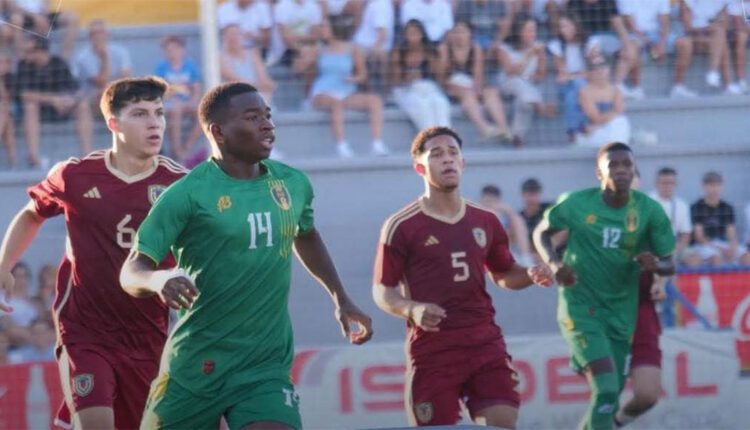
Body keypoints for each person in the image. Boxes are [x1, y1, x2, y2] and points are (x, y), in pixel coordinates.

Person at [119, 82, 373, 429]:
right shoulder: (186, 195)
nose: (268, 125)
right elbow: (132, 270)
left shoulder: (293, 184)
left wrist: (340, 297)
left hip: (264, 366)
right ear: (218, 132)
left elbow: (306, 234)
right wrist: (159, 278)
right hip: (197, 366)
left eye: (267, 116)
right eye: (253, 118)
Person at [0, 76, 187, 429]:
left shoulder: (180, 185)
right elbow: (32, 213)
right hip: (84, 330)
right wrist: (4, 263)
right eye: (141, 114)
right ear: (114, 124)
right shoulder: (75, 175)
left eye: (159, 113)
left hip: (148, 334)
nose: (155, 123)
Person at [372, 126, 554, 428]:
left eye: (453, 153)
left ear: (463, 163)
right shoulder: (401, 225)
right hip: (433, 351)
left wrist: (530, 274)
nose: (447, 159)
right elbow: (383, 291)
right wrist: (412, 309)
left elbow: (504, 273)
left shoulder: (486, 220)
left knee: (502, 423)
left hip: (484, 343)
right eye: (437, 154)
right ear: (420, 167)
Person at [533, 142, 676, 430]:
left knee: (610, 395)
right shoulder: (577, 203)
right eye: (613, 165)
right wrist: (555, 265)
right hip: (581, 307)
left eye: (627, 164)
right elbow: (541, 232)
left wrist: (655, 266)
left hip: (622, 313)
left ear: (634, 170)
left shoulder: (649, 210)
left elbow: (669, 263)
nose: (621, 170)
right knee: (607, 389)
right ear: (599, 172)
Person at [297, 15, 388, 158]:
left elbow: (362, 74)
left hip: (346, 91)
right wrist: (306, 54)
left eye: (324, 26)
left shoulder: (353, 49)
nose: (322, 29)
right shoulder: (319, 49)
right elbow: (298, 68)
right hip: (322, 91)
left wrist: (353, 78)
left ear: (335, 28)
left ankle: (377, 144)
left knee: (375, 101)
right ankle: (342, 146)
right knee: (336, 104)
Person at [16, 36, 91, 167]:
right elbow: (24, 95)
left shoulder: (58, 63)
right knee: (30, 106)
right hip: (40, 110)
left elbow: (77, 91)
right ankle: (34, 157)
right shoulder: (23, 65)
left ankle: (87, 154)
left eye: (29, 51)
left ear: (40, 51)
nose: (25, 54)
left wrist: (69, 100)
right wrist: (53, 99)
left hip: (61, 107)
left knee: (83, 106)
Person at [437, 20, 510, 142]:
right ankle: (484, 128)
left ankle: (504, 128)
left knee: (491, 92)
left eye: (463, 32)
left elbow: (478, 75)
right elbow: (441, 78)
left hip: (470, 85)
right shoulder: (444, 49)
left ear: (469, 34)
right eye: (456, 32)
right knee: (467, 93)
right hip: (451, 87)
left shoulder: (476, 49)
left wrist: (479, 91)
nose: (459, 36)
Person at [495, 15, 555, 147]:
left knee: (524, 101)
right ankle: (540, 105)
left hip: (528, 85)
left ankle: (516, 136)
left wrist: (534, 76)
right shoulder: (503, 48)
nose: (532, 34)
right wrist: (528, 54)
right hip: (507, 83)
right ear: (518, 31)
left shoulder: (539, 48)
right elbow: (511, 72)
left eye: (534, 30)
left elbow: (541, 74)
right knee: (518, 82)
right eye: (528, 30)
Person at [390, 19, 451, 131]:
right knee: (422, 105)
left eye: (415, 33)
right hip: (407, 90)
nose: (412, 37)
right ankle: (430, 136)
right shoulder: (399, 51)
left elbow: (438, 75)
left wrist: (437, 58)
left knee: (440, 103)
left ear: (422, 34)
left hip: (428, 88)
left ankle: (445, 136)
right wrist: (408, 79)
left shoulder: (429, 50)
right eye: (409, 33)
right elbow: (395, 81)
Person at [155, 35, 203, 163]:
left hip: (187, 102)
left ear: (183, 50)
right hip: (169, 103)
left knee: (203, 114)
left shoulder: (190, 66)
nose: (173, 52)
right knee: (176, 109)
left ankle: (187, 147)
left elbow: (196, 88)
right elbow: (159, 91)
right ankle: (176, 150)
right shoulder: (162, 68)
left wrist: (193, 100)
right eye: (169, 50)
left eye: (176, 49)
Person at [684, 170, 745, 267]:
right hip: (704, 245)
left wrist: (733, 248)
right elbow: (699, 237)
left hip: (723, 243)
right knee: (716, 258)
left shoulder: (727, 207)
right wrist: (720, 249)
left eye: (718, 185)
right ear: (704, 187)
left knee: (747, 257)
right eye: (711, 186)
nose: (715, 189)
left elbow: (731, 233)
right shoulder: (696, 207)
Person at [548, 13, 589, 142]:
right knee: (578, 85)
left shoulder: (589, 43)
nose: (563, 30)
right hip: (566, 85)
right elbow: (562, 74)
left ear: (575, 26)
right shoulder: (556, 45)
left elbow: (592, 72)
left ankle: (572, 132)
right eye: (561, 27)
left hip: (585, 85)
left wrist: (573, 76)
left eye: (566, 26)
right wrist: (577, 75)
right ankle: (582, 128)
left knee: (573, 95)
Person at [576, 55, 631, 147]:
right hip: (591, 134)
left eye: (602, 65)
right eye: (594, 67)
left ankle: (614, 149)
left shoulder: (616, 90)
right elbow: (595, 118)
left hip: (608, 129)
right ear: (589, 72)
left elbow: (620, 112)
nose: (599, 70)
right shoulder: (585, 91)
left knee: (621, 122)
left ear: (608, 69)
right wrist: (613, 114)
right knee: (618, 123)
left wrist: (609, 117)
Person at [479, 184, 533, 265]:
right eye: (487, 202)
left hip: (506, 253)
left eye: (492, 202)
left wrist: (508, 211)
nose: (489, 206)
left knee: (517, 221)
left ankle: (526, 258)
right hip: (484, 255)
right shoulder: (475, 215)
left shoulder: (505, 217)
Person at [648, 167, 693, 261]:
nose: (668, 186)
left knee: (694, 259)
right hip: (650, 246)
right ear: (656, 183)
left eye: (671, 183)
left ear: (676, 184)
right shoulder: (647, 202)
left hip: (674, 245)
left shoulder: (682, 205)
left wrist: (675, 250)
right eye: (664, 183)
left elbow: (686, 234)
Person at [518, 177, 551, 259]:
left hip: (551, 251)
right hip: (531, 255)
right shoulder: (519, 218)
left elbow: (563, 231)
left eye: (534, 194)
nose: (531, 198)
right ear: (522, 195)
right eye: (529, 194)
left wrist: (544, 252)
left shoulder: (548, 210)